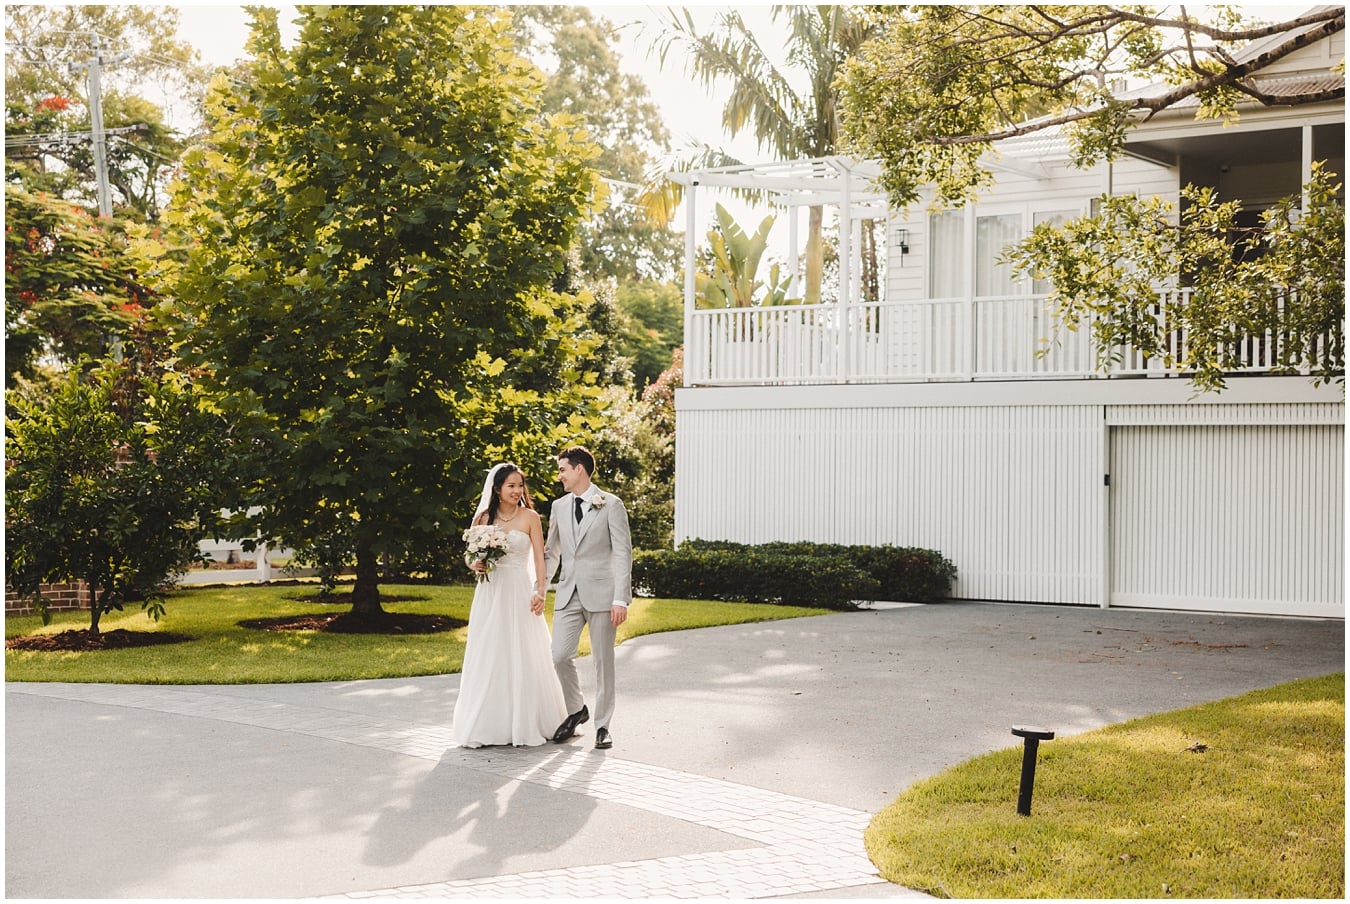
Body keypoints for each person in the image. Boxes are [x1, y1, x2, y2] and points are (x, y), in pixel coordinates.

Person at [452, 463, 567, 748]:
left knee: (523, 650)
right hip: (490, 592)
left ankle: (529, 720)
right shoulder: (483, 518)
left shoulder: (530, 517)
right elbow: (470, 556)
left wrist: (540, 590)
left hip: (518, 590)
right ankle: (488, 723)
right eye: (511, 486)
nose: (517, 491)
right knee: (490, 651)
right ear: (497, 489)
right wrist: (474, 563)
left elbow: (540, 558)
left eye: (520, 486)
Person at [543, 445, 633, 750]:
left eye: (562, 470)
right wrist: (538, 588)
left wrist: (621, 598)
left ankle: (603, 725)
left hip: (603, 595)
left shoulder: (611, 504)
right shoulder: (558, 507)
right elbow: (551, 553)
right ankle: (577, 710)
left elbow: (623, 553)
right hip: (569, 593)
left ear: (579, 469)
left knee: (602, 662)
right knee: (558, 655)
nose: (560, 477)